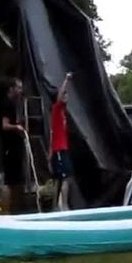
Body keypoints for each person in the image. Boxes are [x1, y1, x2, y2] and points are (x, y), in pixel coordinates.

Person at [0, 78, 25, 214]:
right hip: (9, 148)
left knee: (16, 181)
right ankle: (6, 213)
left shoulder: (13, 105)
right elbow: (4, 125)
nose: (21, 91)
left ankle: (14, 210)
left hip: (14, 148)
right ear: (12, 89)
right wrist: (17, 127)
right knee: (9, 182)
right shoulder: (7, 104)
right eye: (19, 88)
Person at [49, 72, 73, 211]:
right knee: (65, 178)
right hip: (59, 149)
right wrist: (66, 79)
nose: (66, 96)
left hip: (61, 149)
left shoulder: (63, 112)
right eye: (65, 95)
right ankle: (64, 206)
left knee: (61, 179)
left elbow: (53, 133)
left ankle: (57, 206)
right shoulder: (56, 109)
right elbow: (60, 93)